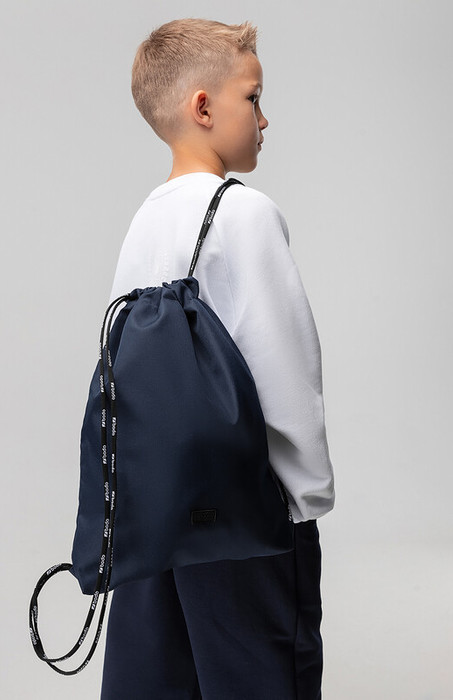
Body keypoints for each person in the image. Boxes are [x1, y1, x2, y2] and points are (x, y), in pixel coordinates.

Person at [100, 18, 335, 700]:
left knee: (158, 685)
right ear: (202, 107)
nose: (264, 117)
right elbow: (282, 361)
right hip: (244, 519)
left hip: (155, 515)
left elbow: (118, 364)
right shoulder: (245, 214)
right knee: (261, 681)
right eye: (253, 97)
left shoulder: (145, 218)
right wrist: (305, 497)